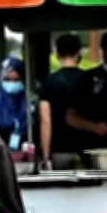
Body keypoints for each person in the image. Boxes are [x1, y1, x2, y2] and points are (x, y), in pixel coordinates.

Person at [38, 34, 84, 169]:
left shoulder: (48, 82)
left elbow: (45, 120)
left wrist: (46, 156)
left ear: (57, 53)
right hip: (85, 148)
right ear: (79, 52)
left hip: (58, 149)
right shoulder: (88, 79)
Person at [0, 57, 31, 150]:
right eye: (7, 79)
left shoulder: (29, 102)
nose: (11, 83)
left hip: (23, 151)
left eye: (16, 80)